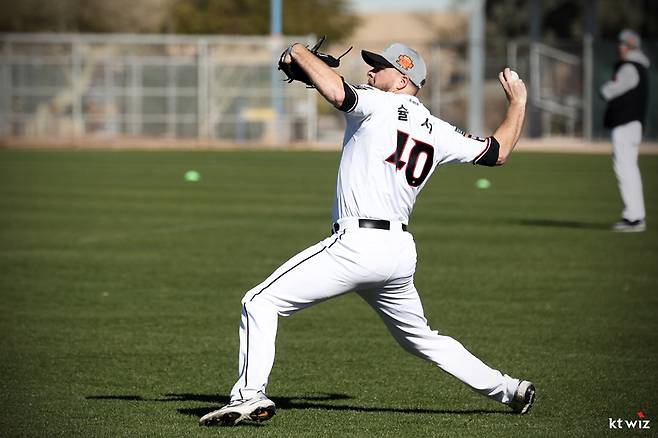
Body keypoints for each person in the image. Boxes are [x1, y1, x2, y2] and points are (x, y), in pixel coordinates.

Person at [199, 42, 534, 427]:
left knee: (259, 302)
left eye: (380, 67)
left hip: (358, 244)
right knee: (421, 338)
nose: (371, 72)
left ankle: (248, 396)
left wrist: (296, 51)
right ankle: (510, 389)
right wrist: (518, 102)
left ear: (402, 80)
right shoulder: (439, 130)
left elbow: (339, 92)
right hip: (398, 252)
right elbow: (498, 151)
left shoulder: (376, 104)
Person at [601, 29, 650, 232]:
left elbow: (609, 90)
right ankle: (635, 215)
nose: (619, 48)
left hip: (626, 124)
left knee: (625, 169)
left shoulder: (630, 67)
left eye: (623, 45)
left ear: (630, 47)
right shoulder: (640, 66)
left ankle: (633, 217)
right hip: (632, 124)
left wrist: (606, 88)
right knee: (629, 168)